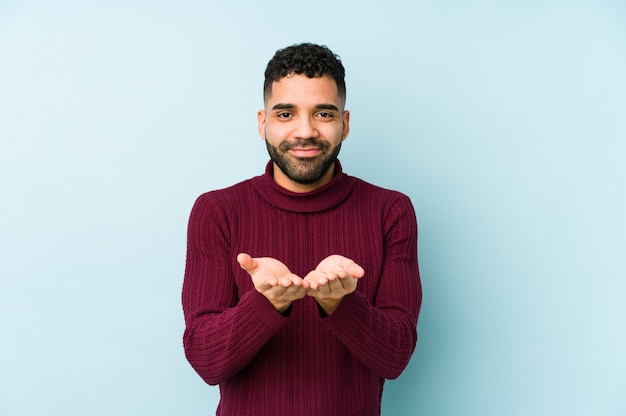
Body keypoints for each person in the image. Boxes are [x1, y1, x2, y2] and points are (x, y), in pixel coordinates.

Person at [182, 42, 422, 416]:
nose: (304, 131)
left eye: (323, 113)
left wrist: (340, 301)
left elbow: (395, 358)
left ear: (344, 124)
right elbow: (206, 360)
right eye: (286, 114)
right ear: (263, 123)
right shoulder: (217, 211)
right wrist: (268, 302)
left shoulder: (390, 211)